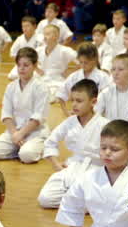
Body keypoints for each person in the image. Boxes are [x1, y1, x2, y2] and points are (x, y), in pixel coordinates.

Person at [38, 79, 107, 209]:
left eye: (79, 101)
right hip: (72, 167)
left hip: (95, 169)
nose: (74, 105)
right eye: (72, 100)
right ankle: (78, 201)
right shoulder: (70, 122)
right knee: (45, 199)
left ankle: (79, 201)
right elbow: (50, 143)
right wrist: (57, 165)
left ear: (93, 102)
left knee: (95, 200)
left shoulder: (105, 125)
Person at [0, 48, 49, 163]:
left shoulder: (41, 87)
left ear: (34, 66)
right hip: (14, 131)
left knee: (27, 156)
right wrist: (15, 134)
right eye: (19, 65)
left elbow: (38, 116)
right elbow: (6, 114)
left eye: (26, 65)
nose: (21, 68)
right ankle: (20, 147)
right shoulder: (11, 87)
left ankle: (38, 146)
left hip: (35, 132)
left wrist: (21, 134)